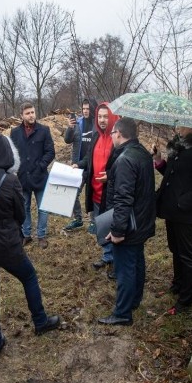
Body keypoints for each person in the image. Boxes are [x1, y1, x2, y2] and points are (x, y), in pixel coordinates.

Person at [0, 131, 61, 357]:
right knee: (28, 277)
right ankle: (40, 321)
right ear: (5, 152)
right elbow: (20, 214)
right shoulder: (10, 180)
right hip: (7, 244)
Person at [97, 117, 156, 326]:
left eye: (113, 133)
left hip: (130, 225)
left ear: (119, 134)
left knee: (125, 268)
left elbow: (123, 199)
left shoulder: (124, 160)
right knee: (137, 261)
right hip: (142, 221)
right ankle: (134, 300)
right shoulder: (141, 153)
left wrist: (118, 231)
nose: (111, 136)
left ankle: (122, 312)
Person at [153, 127, 192, 314]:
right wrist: (159, 161)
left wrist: (182, 202)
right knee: (175, 249)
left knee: (188, 255)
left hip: (188, 214)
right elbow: (173, 175)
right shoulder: (179, 144)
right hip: (172, 211)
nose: (177, 126)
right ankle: (178, 284)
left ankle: (186, 299)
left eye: (181, 123)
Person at [74, 102, 117, 274]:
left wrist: (111, 176)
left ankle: (116, 261)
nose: (102, 120)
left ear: (112, 117)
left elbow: (122, 163)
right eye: (100, 116)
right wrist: (79, 164)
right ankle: (107, 256)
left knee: (113, 227)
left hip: (111, 193)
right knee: (101, 225)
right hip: (96, 191)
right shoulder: (96, 136)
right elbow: (88, 157)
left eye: (106, 116)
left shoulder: (117, 138)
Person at [10, 102, 55, 249]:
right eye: (28, 113)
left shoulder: (44, 130)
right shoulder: (15, 133)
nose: (31, 115)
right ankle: (26, 234)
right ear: (21, 115)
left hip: (40, 176)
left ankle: (41, 235)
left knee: (43, 207)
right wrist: (15, 170)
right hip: (22, 177)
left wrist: (41, 166)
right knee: (24, 207)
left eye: (33, 112)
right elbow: (12, 154)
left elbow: (50, 152)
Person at [62, 98, 95, 231]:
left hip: (93, 165)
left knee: (92, 194)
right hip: (77, 166)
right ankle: (78, 219)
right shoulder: (78, 123)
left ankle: (93, 221)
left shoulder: (96, 125)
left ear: (92, 109)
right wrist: (70, 128)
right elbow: (67, 140)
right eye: (84, 109)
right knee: (73, 192)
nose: (85, 111)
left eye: (88, 108)